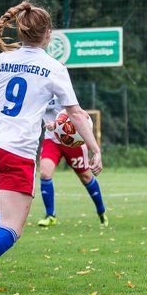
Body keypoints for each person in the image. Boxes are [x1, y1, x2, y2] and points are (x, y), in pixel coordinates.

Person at [0, 1, 102, 295]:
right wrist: (95, 149)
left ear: (21, 31)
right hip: (16, 150)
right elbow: (78, 114)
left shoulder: (3, 60)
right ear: (48, 35)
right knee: (12, 228)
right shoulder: (54, 67)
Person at [35, 95, 107, 227]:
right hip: (51, 140)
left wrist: (56, 125)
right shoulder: (36, 91)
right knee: (45, 173)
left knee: (86, 177)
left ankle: (101, 211)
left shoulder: (60, 88)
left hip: (72, 142)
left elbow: (76, 114)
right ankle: (50, 215)